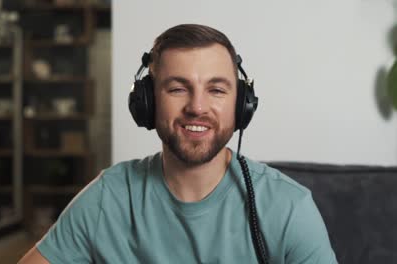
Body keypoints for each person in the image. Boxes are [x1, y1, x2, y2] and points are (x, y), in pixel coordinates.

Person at [19, 24, 337, 264]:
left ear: (242, 105)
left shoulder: (288, 208)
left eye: (216, 89)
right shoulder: (109, 197)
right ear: (148, 102)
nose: (197, 107)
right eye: (177, 89)